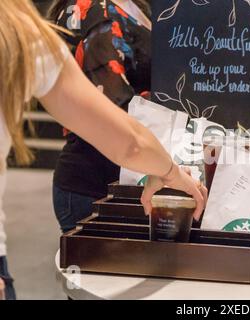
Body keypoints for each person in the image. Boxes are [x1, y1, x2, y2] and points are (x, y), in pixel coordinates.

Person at [0, 0, 207, 300]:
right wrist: (168, 171)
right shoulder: (42, 24)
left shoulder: (23, 31)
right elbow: (124, 131)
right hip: (101, 180)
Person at [48, 0, 153, 233]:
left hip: (120, 177)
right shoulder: (96, 11)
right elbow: (114, 104)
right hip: (98, 187)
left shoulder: (129, 6)